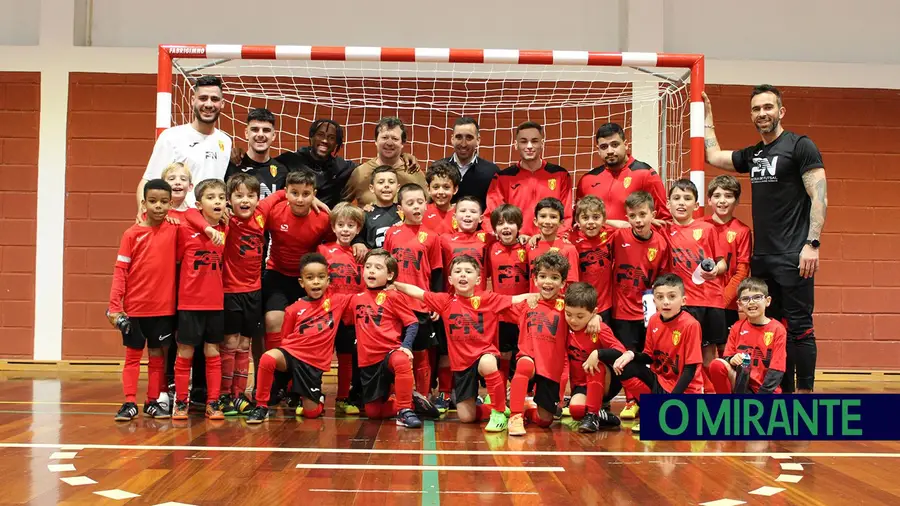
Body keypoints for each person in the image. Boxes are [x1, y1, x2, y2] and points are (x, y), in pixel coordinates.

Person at [702, 84, 828, 393]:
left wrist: (812, 244)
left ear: (780, 111)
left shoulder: (800, 146)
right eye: (757, 109)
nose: (762, 113)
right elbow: (713, 156)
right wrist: (706, 115)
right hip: (764, 258)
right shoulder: (754, 154)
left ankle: (804, 394)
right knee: (772, 327)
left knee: (799, 329)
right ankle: (779, 392)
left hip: (795, 255)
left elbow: (820, 196)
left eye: (768, 107)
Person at [182, 174, 287, 415]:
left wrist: (316, 201)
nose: (245, 200)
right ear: (229, 200)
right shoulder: (225, 220)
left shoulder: (262, 212)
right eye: (238, 196)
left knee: (244, 344)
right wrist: (209, 228)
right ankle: (225, 394)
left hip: (254, 291)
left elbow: (282, 192)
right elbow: (189, 213)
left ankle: (239, 394)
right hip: (229, 291)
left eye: (250, 196)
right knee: (228, 343)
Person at [393, 255, 535, 432]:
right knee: (466, 418)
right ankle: (496, 408)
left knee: (488, 362)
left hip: (485, 354)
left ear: (478, 279)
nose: (463, 275)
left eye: (468, 272)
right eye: (458, 272)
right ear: (450, 279)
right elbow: (417, 292)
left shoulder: (488, 298)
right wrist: (394, 283)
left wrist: (543, 295)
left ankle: (498, 413)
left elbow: (519, 298)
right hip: (461, 365)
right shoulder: (445, 301)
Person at [246, 253, 357, 423]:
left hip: (312, 365)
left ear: (328, 281)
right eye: (310, 278)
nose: (316, 282)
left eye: (321, 277)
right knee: (268, 358)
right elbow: (285, 338)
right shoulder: (293, 309)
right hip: (292, 355)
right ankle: (261, 406)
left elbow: (363, 300)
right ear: (302, 283)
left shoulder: (337, 302)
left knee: (310, 414)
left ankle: (315, 398)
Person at [108, 179, 178, 421]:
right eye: (153, 201)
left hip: (163, 309)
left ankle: (152, 401)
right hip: (135, 309)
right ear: (143, 203)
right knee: (133, 356)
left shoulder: (175, 230)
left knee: (158, 355)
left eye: (163, 202)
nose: (158, 206)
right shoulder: (131, 234)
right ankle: (129, 402)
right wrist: (115, 307)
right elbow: (120, 271)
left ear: (171, 203)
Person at [353, 249, 439, 428]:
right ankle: (414, 402)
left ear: (390, 274)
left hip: (389, 355)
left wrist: (406, 346)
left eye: (377, 267)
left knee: (401, 359)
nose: (371, 271)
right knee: (373, 413)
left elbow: (412, 323)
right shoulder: (355, 299)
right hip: (368, 362)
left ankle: (404, 410)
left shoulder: (393, 296)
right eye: (367, 267)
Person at [613, 274, 704, 433]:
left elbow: (690, 371)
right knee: (625, 365)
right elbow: (648, 356)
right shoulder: (654, 320)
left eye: (672, 296)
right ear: (654, 301)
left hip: (684, 390)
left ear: (683, 300)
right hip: (661, 381)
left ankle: (665, 411)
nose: (666, 302)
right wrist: (631, 354)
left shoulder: (691, 325)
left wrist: (672, 402)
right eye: (660, 297)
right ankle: (653, 408)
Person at [260, 169, 333, 358]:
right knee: (273, 319)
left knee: (305, 324)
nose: (300, 199)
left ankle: (299, 374)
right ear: (286, 192)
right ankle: (274, 372)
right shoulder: (275, 212)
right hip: (277, 273)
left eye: (306, 194)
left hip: (307, 279)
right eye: (295, 193)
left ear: (314, 195)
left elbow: (336, 242)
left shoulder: (323, 218)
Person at [172, 179, 229, 421]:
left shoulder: (227, 228)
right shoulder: (185, 228)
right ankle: (181, 402)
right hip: (189, 303)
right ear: (199, 203)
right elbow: (189, 213)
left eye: (220, 197)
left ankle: (213, 402)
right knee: (185, 352)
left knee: (213, 351)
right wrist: (206, 228)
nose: (217, 201)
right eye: (210, 197)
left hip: (215, 303)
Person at [609, 191, 669, 420]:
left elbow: (663, 278)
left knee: (648, 357)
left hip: (648, 312)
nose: (639, 220)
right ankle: (631, 401)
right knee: (625, 357)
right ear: (627, 217)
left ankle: (652, 399)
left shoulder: (661, 243)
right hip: (622, 311)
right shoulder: (618, 236)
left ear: (653, 215)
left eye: (643, 214)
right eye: (633, 216)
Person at [665, 179, 728, 392]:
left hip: (711, 300)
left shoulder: (707, 228)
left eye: (687, 198)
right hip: (684, 303)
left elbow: (723, 262)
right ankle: (693, 395)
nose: (681, 203)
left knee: (710, 357)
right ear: (668, 203)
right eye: (676, 198)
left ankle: (717, 398)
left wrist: (715, 270)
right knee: (686, 356)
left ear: (696, 204)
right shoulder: (663, 229)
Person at [138, 76, 232, 218]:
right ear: (193, 101)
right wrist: (143, 212)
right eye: (203, 98)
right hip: (177, 221)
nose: (208, 104)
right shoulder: (171, 136)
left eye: (214, 99)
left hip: (211, 223)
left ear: (222, 104)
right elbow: (148, 181)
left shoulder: (225, 141)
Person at [383, 184, 444, 395]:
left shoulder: (432, 237)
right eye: (410, 203)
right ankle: (393, 394)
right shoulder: (392, 233)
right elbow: (385, 267)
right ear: (400, 208)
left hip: (420, 304)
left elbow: (437, 272)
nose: (416, 207)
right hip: (395, 303)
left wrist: (435, 301)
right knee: (394, 352)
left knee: (420, 352)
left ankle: (424, 396)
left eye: (420, 202)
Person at [433, 196, 490, 409]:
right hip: (451, 305)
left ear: (481, 217)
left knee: (474, 352)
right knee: (447, 352)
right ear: (454, 216)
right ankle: (445, 393)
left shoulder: (487, 239)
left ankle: (471, 393)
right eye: (463, 211)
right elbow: (438, 272)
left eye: (473, 212)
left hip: (478, 307)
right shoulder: (444, 239)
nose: (468, 215)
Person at [317, 203, 367, 415]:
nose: (345, 229)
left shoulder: (363, 254)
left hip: (351, 315)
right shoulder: (323, 250)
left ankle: (343, 397)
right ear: (333, 227)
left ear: (358, 229)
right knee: (318, 357)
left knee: (346, 358)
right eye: (341, 225)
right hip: (327, 313)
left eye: (350, 225)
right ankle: (311, 395)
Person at [483, 121, 573, 239]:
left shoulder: (560, 175)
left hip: (549, 244)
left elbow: (566, 215)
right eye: (524, 141)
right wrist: (512, 238)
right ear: (516, 145)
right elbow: (492, 216)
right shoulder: (502, 178)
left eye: (534, 141)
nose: (529, 146)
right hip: (516, 244)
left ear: (542, 144)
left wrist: (554, 238)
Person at [576, 123, 670, 226]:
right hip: (598, 242)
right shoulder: (587, 180)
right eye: (604, 147)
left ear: (625, 144)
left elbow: (664, 220)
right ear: (598, 149)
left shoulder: (646, 174)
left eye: (615, 145)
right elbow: (577, 221)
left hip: (633, 241)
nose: (610, 151)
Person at [708, 278, 787, 394]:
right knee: (717, 364)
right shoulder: (737, 327)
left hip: (766, 391)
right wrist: (732, 359)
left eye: (757, 297)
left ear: (768, 301)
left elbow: (777, 369)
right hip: (741, 385)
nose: (751, 302)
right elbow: (726, 358)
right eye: (745, 299)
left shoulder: (777, 329)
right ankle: (725, 404)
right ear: (739, 304)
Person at [563, 283, 623, 433]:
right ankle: (603, 416)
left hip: (605, 381)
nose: (573, 320)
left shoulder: (598, 329)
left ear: (593, 312)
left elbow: (621, 352)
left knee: (594, 365)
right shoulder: (564, 327)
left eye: (580, 316)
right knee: (576, 411)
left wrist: (598, 354)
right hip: (581, 385)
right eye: (568, 314)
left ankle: (592, 416)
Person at [486, 204, 530, 384]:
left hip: (525, 313)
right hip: (502, 313)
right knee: (503, 354)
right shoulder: (490, 248)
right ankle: (501, 391)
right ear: (495, 228)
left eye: (511, 222)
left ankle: (524, 390)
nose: (505, 227)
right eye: (500, 223)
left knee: (524, 353)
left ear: (519, 226)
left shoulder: (527, 247)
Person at [276, 119, 358, 210]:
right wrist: (309, 198)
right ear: (312, 136)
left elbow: (369, 170)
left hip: (326, 221)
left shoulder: (342, 167)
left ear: (336, 143)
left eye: (331, 137)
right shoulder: (290, 160)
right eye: (320, 135)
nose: (325, 140)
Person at [343, 117, 425, 206]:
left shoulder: (413, 171)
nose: (389, 143)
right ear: (375, 141)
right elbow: (342, 205)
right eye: (384, 137)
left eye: (395, 138)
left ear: (402, 143)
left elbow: (429, 206)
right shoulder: (360, 173)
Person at [706, 175, 753, 329]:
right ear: (709, 200)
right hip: (700, 300)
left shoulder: (742, 231)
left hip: (727, 304)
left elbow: (742, 270)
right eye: (717, 195)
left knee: (726, 349)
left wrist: (723, 300)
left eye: (728, 196)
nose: (722, 201)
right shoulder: (699, 226)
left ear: (737, 201)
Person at [568, 196, 615, 323]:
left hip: (605, 305)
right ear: (577, 220)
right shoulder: (570, 238)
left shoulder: (610, 233)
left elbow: (627, 225)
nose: (590, 222)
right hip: (581, 305)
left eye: (596, 217)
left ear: (604, 219)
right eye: (585, 218)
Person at [437, 117, 499, 211]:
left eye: (469, 137)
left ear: (478, 140)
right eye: (459, 137)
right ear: (452, 139)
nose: (463, 144)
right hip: (443, 225)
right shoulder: (439, 167)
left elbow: (495, 209)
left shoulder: (491, 172)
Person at [224, 108, 288, 199]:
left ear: (273, 136)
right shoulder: (231, 166)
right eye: (255, 129)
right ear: (246, 133)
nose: (260, 135)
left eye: (266, 130)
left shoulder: (282, 171)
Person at [527, 198, 579, 287]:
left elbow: (572, 286)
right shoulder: (530, 245)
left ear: (561, 222)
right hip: (534, 300)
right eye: (543, 216)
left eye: (553, 217)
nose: (547, 221)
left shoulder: (569, 249)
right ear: (535, 221)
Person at [354, 165, 402, 252]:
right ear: (372, 188)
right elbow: (357, 235)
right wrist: (358, 242)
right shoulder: (366, 214)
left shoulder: (404, 212)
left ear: (398, 188)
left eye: (391, 182)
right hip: (375, 262)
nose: (386, 185)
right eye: (381, 182)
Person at [423, 160, 461, 235]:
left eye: (446, 187)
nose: (440, 192)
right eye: (436, 187)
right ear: (428, 189)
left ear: (455, 189)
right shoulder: (422, 211)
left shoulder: (461, 213)